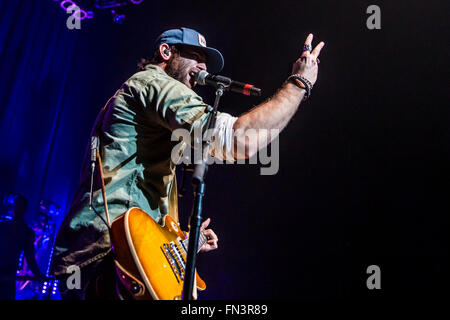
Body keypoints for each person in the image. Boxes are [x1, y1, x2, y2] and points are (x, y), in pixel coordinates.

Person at [51, 27, 324, 300]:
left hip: (115, 251)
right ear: (166, 52)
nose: (203, 67)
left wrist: (181, 243)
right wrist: (298, 83)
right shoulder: (155, 83)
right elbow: (241, 141)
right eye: (196, 56)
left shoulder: (148, 107)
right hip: (112, 252)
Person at [0, 194, 46, 300]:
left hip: (8, 277)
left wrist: (38, 274)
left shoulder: (26, 232)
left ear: (24, 209)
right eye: (16, 206)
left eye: (19, 206)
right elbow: (30, 258)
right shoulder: (3, 225)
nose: (16, 209)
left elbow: (30, 258)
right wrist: (38, 274)